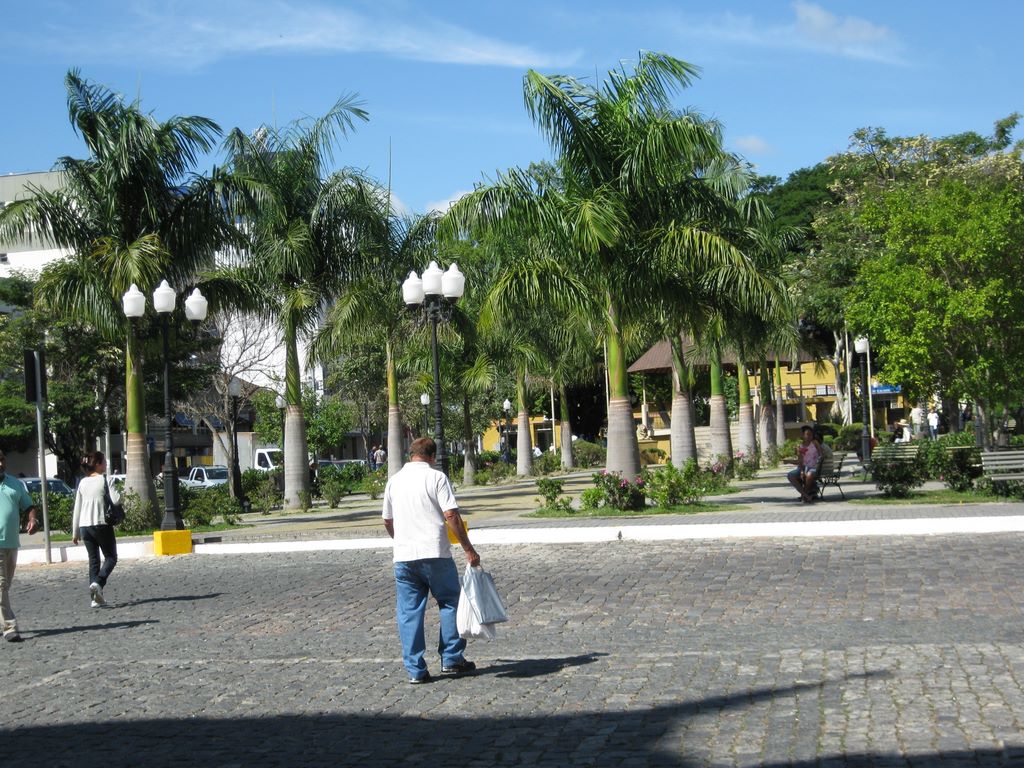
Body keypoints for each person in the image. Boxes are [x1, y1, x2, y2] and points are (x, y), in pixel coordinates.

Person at [382, 437, 480, 684]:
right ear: (433, 457)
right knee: (451, 602)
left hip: (404, 557)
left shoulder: (394, 481)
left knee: (409, 612)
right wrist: (468, 548)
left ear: (411, 454)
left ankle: (415, 670)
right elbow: (451, 515)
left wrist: (401, 539)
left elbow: (387, 520)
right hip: (435, 553)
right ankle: (451, 658)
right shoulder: (436, 478)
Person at [72, 451, 120, 608]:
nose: (106, 464)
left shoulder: (82, 482)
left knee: (93, 561)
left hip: (84, 526)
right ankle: (98, 583)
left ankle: (95, 598)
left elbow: (77, 508)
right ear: (98, 464)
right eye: (104, 462)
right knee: (111, 557)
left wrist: (75, 532)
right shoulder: (106, 479)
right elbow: (116, 500)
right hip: (101, 524)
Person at [0, 449, 39, 641]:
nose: (0, 464)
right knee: (0, 586)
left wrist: (33, 519)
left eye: (2, 459)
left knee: (5, 586)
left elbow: (29, 506)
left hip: (11, 543)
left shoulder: (14, 484)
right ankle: (9, 627)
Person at [786, 425, 821, 504]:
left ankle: (804, 496)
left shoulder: (815, 443)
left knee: (809, 475)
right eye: (807, 434)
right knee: (790, 475)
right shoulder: (800, 446)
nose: (809, 436)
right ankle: (806, 495)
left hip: (813, 467)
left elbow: (821, 455)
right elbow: (800, 461)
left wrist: (818, 463)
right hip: (803, 467)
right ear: (803, 435)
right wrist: (802, 471)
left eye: (811, 434)